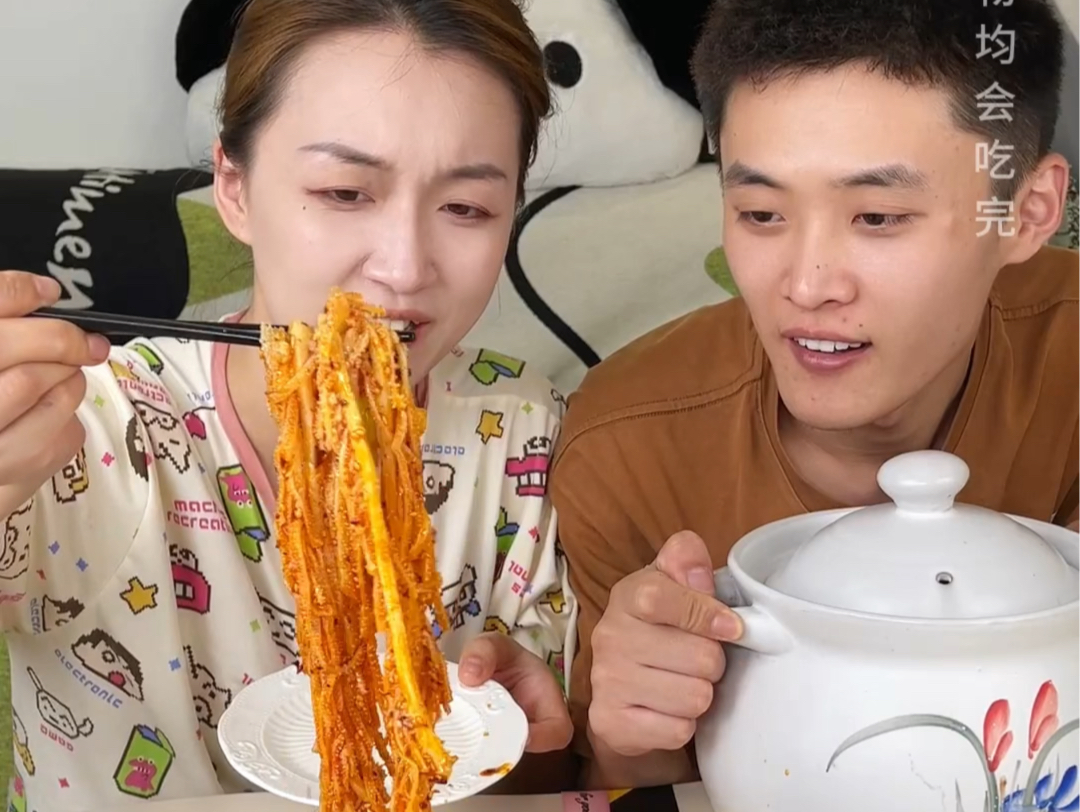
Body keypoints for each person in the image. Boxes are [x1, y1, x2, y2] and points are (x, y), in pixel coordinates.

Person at [0, 1, 577, 808]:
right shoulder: (78, 425)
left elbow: (558, 768)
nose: (404, 267)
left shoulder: (526, 429)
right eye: (345, 192)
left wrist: (533, 725)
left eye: (467, 208)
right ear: (234, 190)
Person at [550, 0, 1079, 791]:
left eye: (878, 217)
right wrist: (634, 728)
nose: (806, 285)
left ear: (1026, 213)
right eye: (761, 213)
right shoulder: (626, 445)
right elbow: (631, 783)